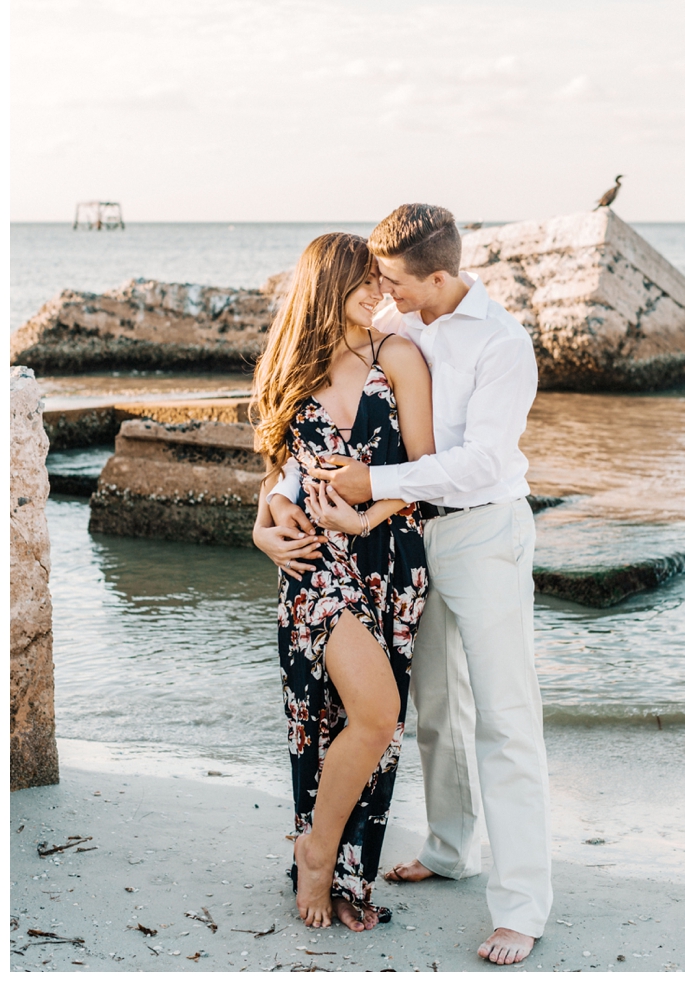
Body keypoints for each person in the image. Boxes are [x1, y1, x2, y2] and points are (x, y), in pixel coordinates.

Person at [267, 204, 551, 966]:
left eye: (391, 278)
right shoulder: (401, 327)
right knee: (435, 712)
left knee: (505, 718)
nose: (380, 291)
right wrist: (270, 516)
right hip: (412, 543)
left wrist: (370, 486)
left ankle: (521, 906)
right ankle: (452, 847)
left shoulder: (501, 342)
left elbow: (484, 463)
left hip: (484, 529)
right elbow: (305, 446)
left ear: (438, 276)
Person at [251, 232, 434, 934]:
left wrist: (365, 520)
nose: (380, 290)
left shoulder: (398, 356)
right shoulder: (288, 370)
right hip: (314, 564)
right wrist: (259, 530)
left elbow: (424, 469)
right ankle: (319, 852)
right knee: (375, 709)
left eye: (382, 279)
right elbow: (275, 480)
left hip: (390, 559)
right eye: (365, 279)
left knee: (367, 726)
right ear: (329, 283)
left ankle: (345, 869)